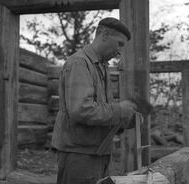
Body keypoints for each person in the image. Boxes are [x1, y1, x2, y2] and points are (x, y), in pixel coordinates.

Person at [51, 17, 137, 184]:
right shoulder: (79, 63)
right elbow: (81, 110)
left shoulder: (101, 66)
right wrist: (119, 110)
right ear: (104, 35)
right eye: (119, 44)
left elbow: (102, 110)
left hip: (97, 152)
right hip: (79, 155)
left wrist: (123, 120)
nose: (120, 51)